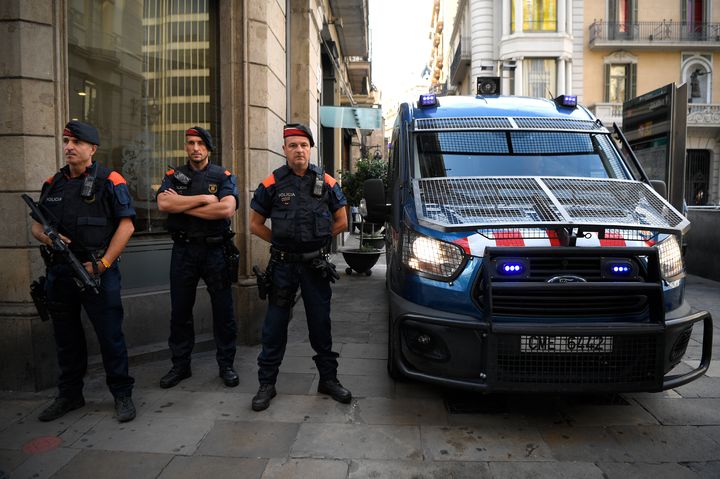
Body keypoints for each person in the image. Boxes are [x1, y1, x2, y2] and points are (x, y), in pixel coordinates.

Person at [31, 120, 136, 423]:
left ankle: (122, 393)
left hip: (97, 272)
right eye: (66, 141)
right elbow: (37, 225)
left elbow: (127, 226)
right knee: (66, 338)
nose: (69, 147)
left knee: (110, 336)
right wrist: (47, 237)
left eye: (76, 142)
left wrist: (102, 264)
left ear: (92, 148)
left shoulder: (110, 180)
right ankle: (70, 395)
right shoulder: (53, 183)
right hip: (60, 273)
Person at [249, 123, 351, 411]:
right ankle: (266, 384)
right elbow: (255, 225)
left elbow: (342, 221)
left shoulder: (327, 182)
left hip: (314, 266)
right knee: (275, 326)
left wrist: (316, 242)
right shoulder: (272, 184)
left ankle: (328, 380)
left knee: (320, 323)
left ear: (310, 149)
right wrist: (282, 244)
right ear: (284, 150)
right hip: (282, 267)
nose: (299, 150)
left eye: (303, 145)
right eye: (292, 145)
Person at [156, 126, 240, 389]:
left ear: (208, 148)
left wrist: (182, 206)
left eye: (200, 143)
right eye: (190, 143)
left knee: (223, 311)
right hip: (184, 251)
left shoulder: (223, 175)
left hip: (216, 251)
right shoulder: (175, 175)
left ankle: (226, 364)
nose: (195, 148)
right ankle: (181, 365)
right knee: (180, 311)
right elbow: (163, 205)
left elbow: (226, 210)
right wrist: (204, 198)